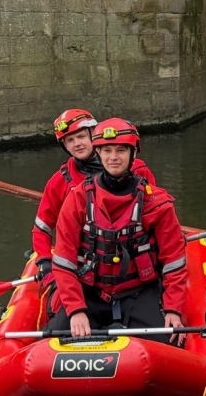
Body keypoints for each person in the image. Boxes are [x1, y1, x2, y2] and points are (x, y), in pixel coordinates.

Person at [50, 118, 188, 344]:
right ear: (98, 152)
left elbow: (173, 261)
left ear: (133, 154)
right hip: (90, 294)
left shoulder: (156, 203)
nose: (113, 157)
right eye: (107, 150)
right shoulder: (78, 199)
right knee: (52, 343)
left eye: (121, 150)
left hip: (139, 292)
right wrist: (76, 310)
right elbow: (64, 261)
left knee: (171, 341)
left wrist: (173, 309)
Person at [32, 109, 156, 316]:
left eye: (81, 137)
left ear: (94, 135)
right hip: (86, 270)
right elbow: (42, 228)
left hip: (132, 267)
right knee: (60, 316)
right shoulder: (59, 182)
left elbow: (157, 218)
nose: (77, 144)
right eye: (70, 140)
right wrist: (44, 261)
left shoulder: (138, 171)